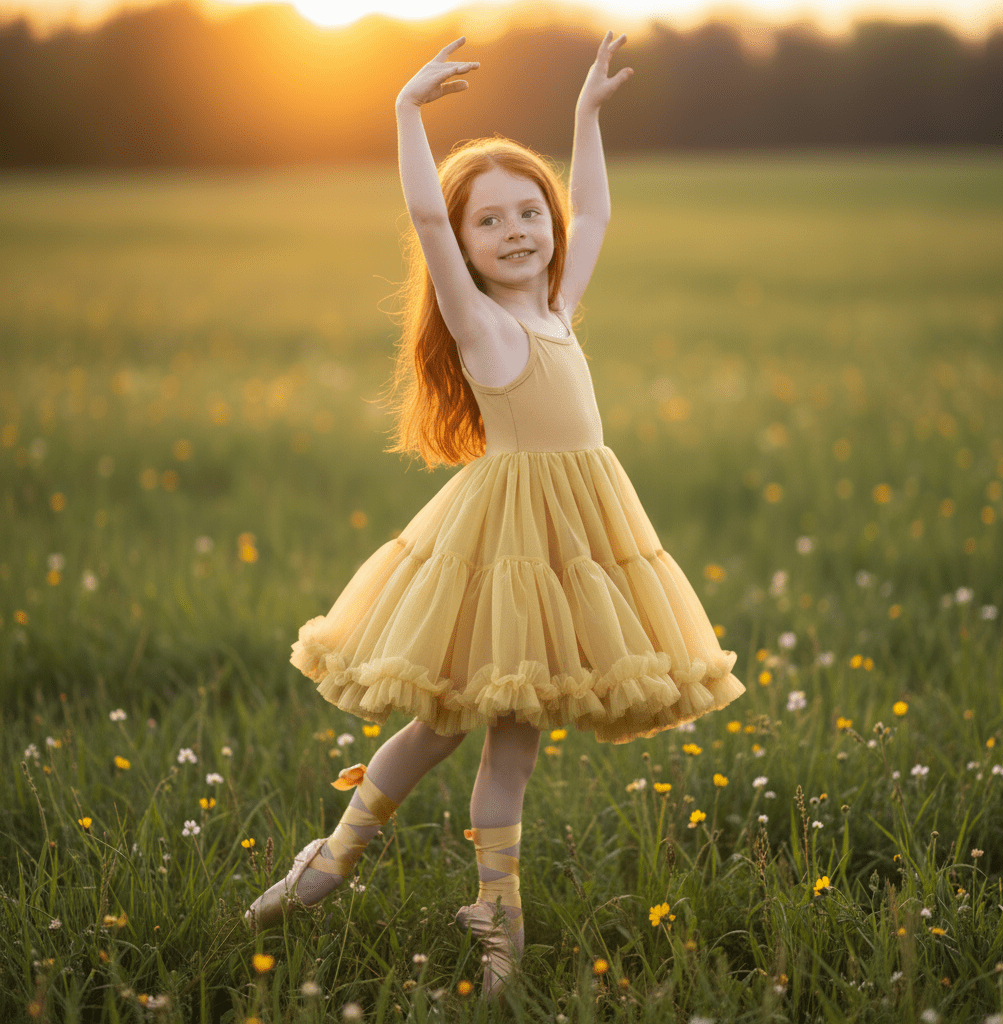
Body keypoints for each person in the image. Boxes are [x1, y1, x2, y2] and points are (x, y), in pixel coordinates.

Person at [246, 33, 745, 998]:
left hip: (577, 547)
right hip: (504, 547)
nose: (518, 230)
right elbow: (426, 216)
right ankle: (335, 856)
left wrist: (586, 119)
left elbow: (593, 207)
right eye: (493, 222)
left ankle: (498, 912)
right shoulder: (486, 326)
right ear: (467, 251)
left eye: (529, 212)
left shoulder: (558, 302)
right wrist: (405, 114)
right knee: (438, 723)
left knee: (514, 741)